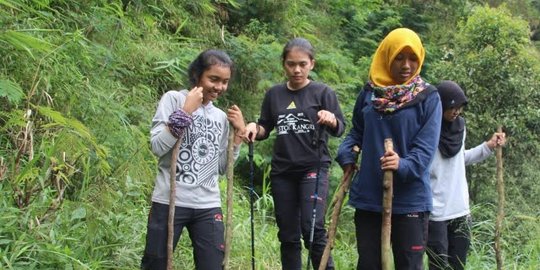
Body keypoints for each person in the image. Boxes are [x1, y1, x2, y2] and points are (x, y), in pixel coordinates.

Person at [335, 28, 442, 269]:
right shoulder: (369, 93)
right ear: (387, 57)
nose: (407, 65)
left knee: (409, 264)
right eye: (399, 58)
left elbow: (425, 151)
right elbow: (357, 132)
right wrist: (347, 152)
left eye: (413, 58)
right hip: (370, 197)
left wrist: (402, 164)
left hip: (410, 200)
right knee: (369, 264)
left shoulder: (428, 97)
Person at [244, 37, 345, 270]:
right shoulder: (274, 95)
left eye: (302, 64)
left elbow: (340, 127)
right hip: (283, 172)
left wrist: (330, 119)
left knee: (312, 226)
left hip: (313, 167)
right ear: (284, 64)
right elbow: (264, 128)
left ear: (312, 64)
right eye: (291, 64)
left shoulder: (323, 92)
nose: (296, 69)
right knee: (288, 233)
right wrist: (252, 127)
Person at [141, 49, 246, 270]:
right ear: (197, 75)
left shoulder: (220, 117)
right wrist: (185, 112)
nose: (219, 87)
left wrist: (237, 138)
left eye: (225, 82)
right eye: (213, 79)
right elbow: (158, 147)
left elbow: (220, 168)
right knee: (156, 264)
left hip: (208, 205)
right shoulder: (174, 99)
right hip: (169, 200)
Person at [427, 80, 506, 270]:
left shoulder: (459, 127)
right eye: (452, 107)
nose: (456, 112)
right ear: (441, 104)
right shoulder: (428, 130)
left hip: (460, 210)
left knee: (458, 266)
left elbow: (458, 159)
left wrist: (488, 146)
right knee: (438, 266)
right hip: (435, 213)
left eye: (460, 107)